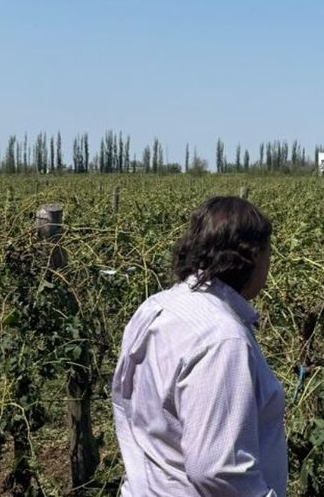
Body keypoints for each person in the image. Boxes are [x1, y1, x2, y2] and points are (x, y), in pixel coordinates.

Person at [112, 196, 287, 497]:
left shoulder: (157, 308)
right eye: (269, 251)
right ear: (253, 255)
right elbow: (218, 469)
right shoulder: (222, 339)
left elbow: (125, 402)